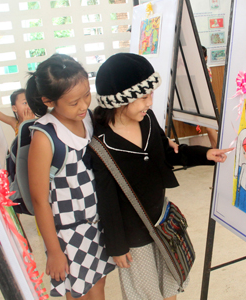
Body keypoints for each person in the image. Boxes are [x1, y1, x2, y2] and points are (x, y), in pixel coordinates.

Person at [90, 53, 232, 300]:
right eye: (144, 96)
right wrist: (117, 245)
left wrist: (205, 154)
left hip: (161, 221)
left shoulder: (147, 119)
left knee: (170, 283)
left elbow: (168, 153)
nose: (150, 102)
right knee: (144, 293)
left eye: (151, 94)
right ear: (121, 99)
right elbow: (107, 198)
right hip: (133, 233)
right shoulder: (101, 142)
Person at [26, 53, 115, 299]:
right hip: (69, 232)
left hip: (96, 223)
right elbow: (39, 199)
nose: (84, 105)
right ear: (48, 100)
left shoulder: (85, 118)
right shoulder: (46, 136)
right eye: (74, 102)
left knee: (98, 285)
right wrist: (54, 251)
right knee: (81, 293)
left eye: (87, 95)